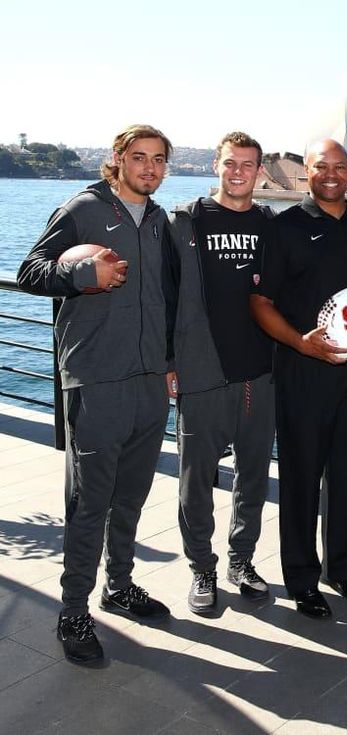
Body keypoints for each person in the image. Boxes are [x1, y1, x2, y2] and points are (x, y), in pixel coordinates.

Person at [17, 124, 176, 664]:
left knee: (131, 496)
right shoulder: (83, 209)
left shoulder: (158, 220)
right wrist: (84, 273)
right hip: (97, 378)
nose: (150, 168)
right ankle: (73, 611)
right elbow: (31, 271)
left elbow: (165, 296)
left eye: (159, 159)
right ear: (118, 158)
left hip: (149, 379)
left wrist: (170, 363)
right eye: (140, 157)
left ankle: (120, 585)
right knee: (89, 503)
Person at [250, 138, 347, 619]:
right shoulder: (283, 227)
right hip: (303, 373)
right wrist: (300, 342)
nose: (331, 174)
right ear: (306, 171)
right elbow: (260, 303)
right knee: (301, 481)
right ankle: (302, 579)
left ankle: (342, 570)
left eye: (340, 166)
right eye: (321, 166)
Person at [168, 132, 276, 615]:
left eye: (247, 165)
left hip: (260, 373)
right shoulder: (185, 221)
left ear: (260, 172)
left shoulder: (271, 225)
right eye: (230, 163)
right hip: (202, 372)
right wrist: (168, 362)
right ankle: (201, 567)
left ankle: (241, 560)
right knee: (195, 481)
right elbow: (164, 294)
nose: (238, 172)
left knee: (253, 477)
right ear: (216, 165)